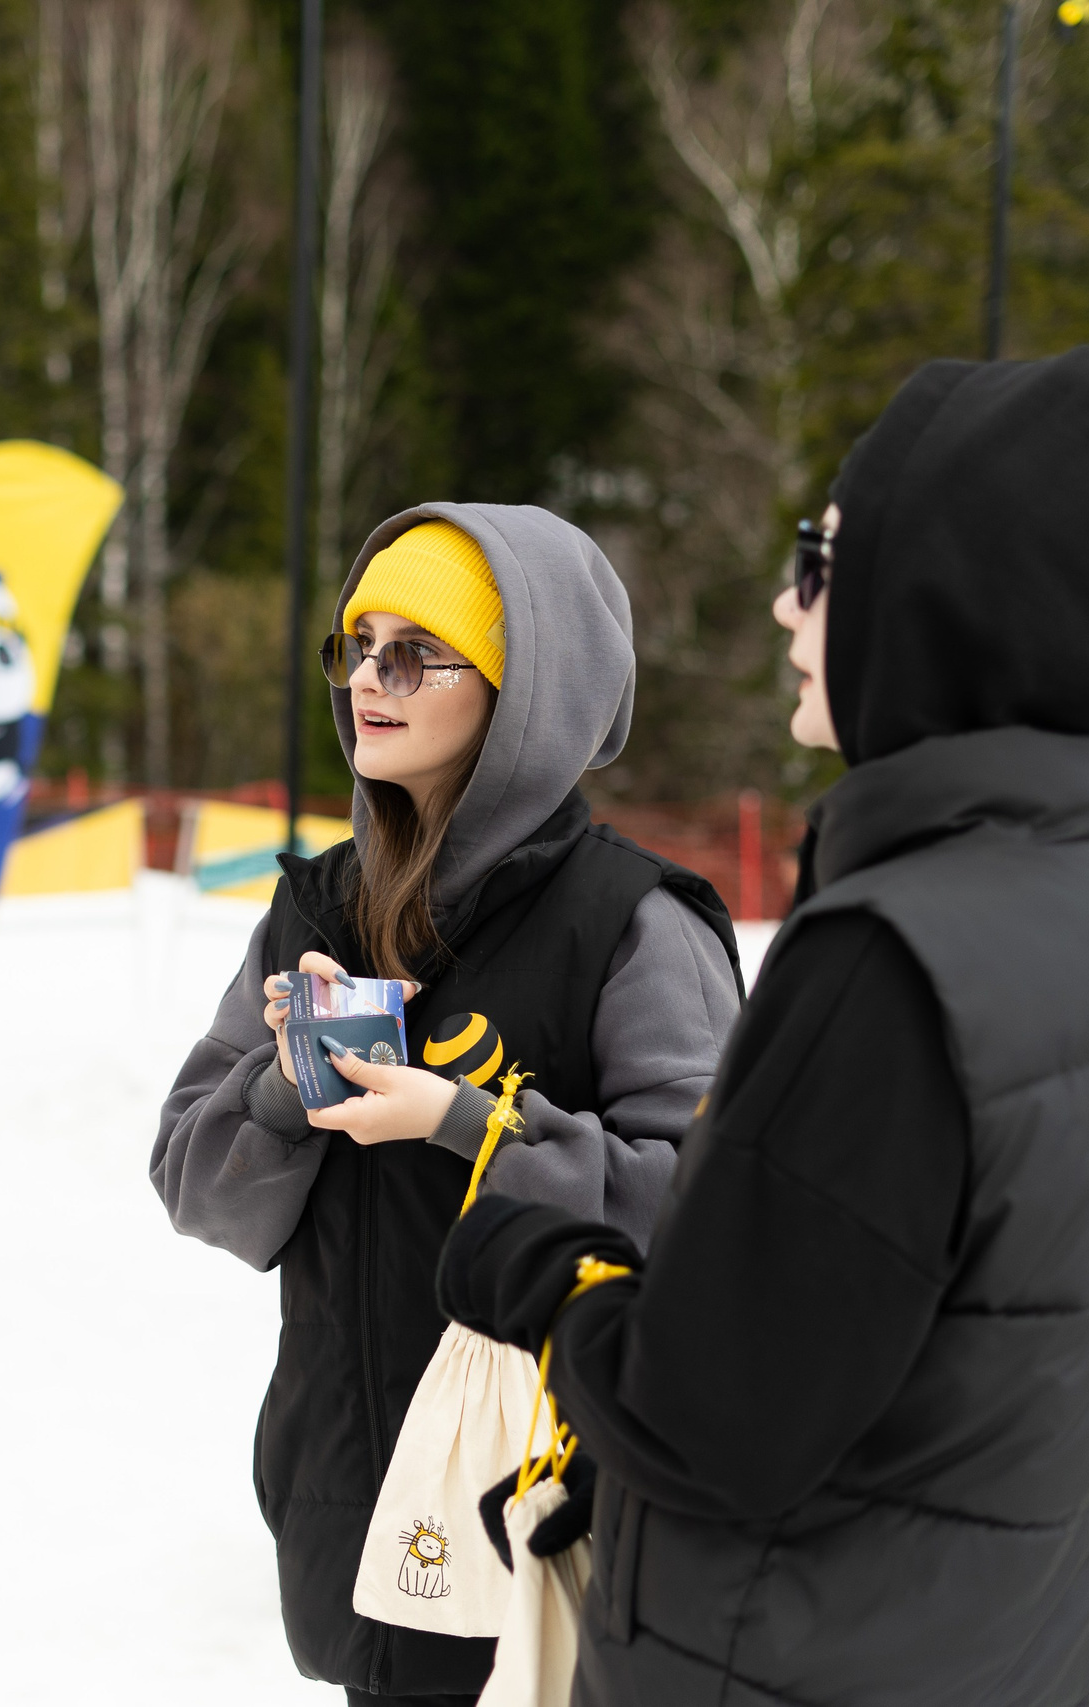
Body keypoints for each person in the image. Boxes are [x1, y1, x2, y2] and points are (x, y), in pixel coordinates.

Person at [437, 348, 1089, 1706]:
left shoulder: (896, 961)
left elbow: (711, 1419)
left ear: (940, 592)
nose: (784, 601)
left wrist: (539, 1263)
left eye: (820, 556)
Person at [153, 508, 744, 1705]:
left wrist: (461, 1124)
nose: (368, 678)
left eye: (414, 651)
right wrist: (285, 1084)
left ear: (524, 691)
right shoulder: (312, 910)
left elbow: (711, 1213)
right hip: (352, 1502)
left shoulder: (634, 923)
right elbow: (195, 1186)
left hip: (555, 1520)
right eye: (356, 644)